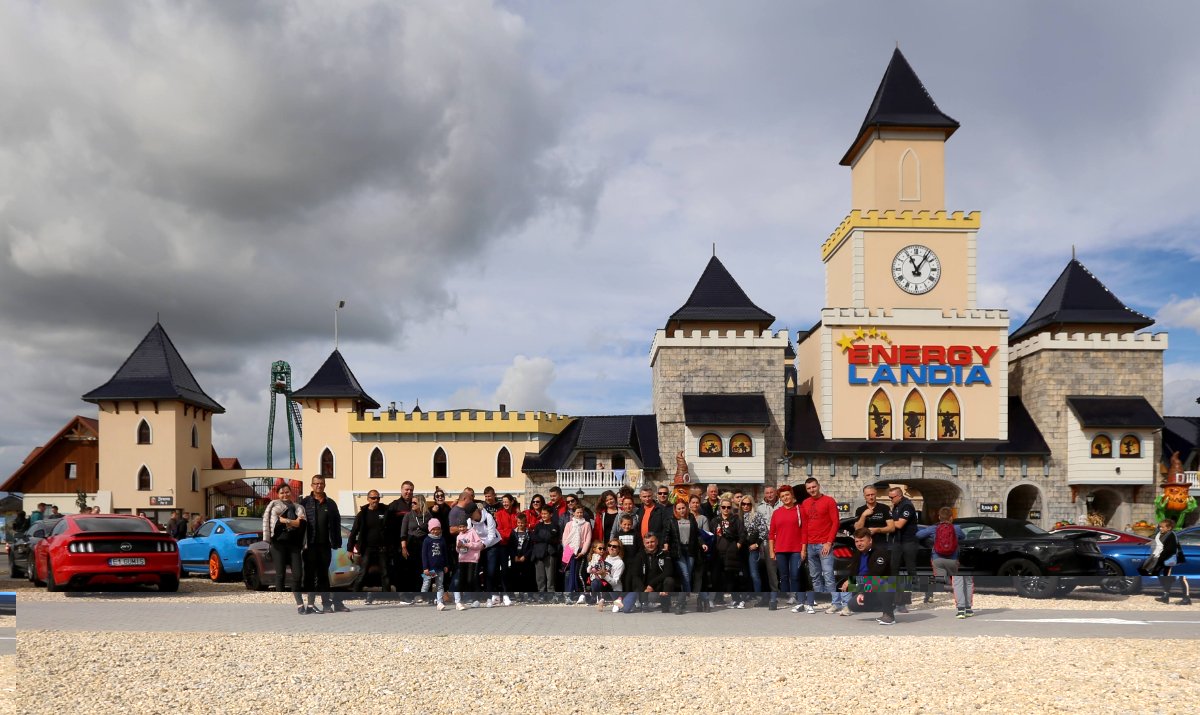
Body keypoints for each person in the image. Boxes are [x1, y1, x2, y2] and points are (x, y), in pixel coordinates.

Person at [300, 475, 346, 613]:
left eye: (321, 483)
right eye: (316, 483)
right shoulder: (305, 503)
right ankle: (310, 605)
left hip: (325, 545)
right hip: (310, 545)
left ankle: (326, 604)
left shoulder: (330, 504)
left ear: (324, 485)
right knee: (309, 575)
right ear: (312, 485)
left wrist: (337, 542)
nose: (319, 486)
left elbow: (337, 523)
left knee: (323, 575)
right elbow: (300, 523)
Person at [916, 507, 972, 618]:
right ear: (951, 517)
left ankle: (926, 591)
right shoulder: (956, 528)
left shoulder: (933, 528)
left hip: (937, 559)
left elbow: (918, 535)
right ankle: (965, 609)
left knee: (938, 580)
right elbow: (963, 537)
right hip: (953, 560)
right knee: (959, 582)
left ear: (939, 517)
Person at [800, 478, 845, 614]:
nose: (812, 490)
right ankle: (821, 601)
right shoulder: (805, 503)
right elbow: (804, 526)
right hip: (810, 545)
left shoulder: (829, 501)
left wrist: (829, 542)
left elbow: (835, 522)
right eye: (809, 488)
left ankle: (835, 603)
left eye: (814, 487)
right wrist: (804, 547)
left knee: (828, 575)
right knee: (815, 576)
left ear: (818, 486)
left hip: (824, 544)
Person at [262, 484, 306, 614]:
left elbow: (301, 524)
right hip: (278, 545)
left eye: (287, 492)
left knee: (298, 575)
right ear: (278, 494)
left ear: (291, 492)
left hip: (294, 545)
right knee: (280, 575)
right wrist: (293, 522)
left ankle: (299, 603)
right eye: (282, 493)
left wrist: (285, 521)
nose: (285, 495)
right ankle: (281, 607)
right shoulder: (274, 506)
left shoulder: (299, 508)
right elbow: (275, 525)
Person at [839, 528, 896, 625]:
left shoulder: (880, 553)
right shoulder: (858, 554)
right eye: (857, 541)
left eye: (862, 540)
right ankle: (881, 606)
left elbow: (875, 574)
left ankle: (889, 614)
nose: (859, 544)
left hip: (887, 585)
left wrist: (854, 582)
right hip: (867, 586)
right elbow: (853, 572)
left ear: (870, 540)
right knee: (853, 605)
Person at [620, 533, 680, 614]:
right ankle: (643, 603)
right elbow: (635, 575)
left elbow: (668, 572)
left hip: (658, 585)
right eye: (647, 543)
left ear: (657, 542)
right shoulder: (639, 555)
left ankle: (665, 606)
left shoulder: (664, 554)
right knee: (626, 609)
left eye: (652, 542)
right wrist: (644, 590)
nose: (650, 544)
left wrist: (651, 585)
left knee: (669, 580)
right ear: (644, 544)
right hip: (644, 587)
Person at [349, 490, 391, 604]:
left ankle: (387, 596)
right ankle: (354, 594)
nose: (375, 500)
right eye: (373, 498)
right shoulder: (362, 514)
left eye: (377, 498)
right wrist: (350, 549)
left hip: (382, 547)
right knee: (363, 572)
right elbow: (354, 532)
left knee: (385, 572)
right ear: (368, 499)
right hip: (367, 548)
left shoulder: (385, 511)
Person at [768, 485, 803, 612]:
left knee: (795, 575)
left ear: (792, 495)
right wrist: (771, 551)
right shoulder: (777, 513)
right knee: (783, 576)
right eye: (782, 496)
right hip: (780, 549)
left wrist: (803, 549)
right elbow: (771, 534)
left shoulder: (800, 510)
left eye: (787, 495)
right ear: (780, 499)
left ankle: (794, 596)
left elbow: (804, 531)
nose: (785, 497)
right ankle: (786, 596)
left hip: (796, 549)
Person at [888, 486, 920, 613]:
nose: (890, 500)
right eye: (889, 497)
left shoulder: (907, 506)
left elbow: (900, 524)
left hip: (908, 542)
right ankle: (896, 600)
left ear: (899, 496)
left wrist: (885, 522)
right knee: (893, 570)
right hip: (898, 542)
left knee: (911, 571)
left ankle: (908, 599)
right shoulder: (896, 506)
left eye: (892, 497)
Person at [711, 498, 744, 608]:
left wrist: (738, 545)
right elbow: (710, 535)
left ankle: (737, 600)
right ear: (720, 508)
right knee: (716, 577)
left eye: (728, 507)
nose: (726, 509)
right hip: (717, 552)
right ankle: (719, 598)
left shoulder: (735, 520)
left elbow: (742, 534)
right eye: (723, 507)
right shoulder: (715, 520)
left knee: (731, 577)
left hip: (730, 552)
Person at [399, 496, 431, 604]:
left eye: (414, 503)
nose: (412, 504)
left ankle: (423, 594)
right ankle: (409, 594)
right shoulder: (408, 515)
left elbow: (432, 531)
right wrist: (404, 547)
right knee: (410, 570)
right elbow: (403, 533)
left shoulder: (428, 516)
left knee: (424, 570)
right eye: (411, 503)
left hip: (424, 544)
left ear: (421, 503)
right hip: (411, 543)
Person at [454, 504, 485, 610]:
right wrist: (458, 547)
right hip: (462, 560)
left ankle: (474, 598)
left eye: (463, 526)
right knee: (462, 579)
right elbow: (458, 550)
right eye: (460, 527)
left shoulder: (472, 532)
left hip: (472, 559)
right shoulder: (459, 536)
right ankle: (466, 598)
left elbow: (479, 545)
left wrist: (467, 544)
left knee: (471, 579)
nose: (462, 528)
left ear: (467, 525)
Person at [473, 500, 503, 606]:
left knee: (490, 571)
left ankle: (490, 597)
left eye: (472, 513)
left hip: (492, 545)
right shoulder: (469, 519)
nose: (471, 516)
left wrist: (483, 545)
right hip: (478, 546)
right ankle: (477, 598)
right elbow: (470, 533)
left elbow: (491, 535)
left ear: (478, 511)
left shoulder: (488, 517)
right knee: (475, 572)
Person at [1151, 519, 1188, 604]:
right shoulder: (1165, 535)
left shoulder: (1171, 535)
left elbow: (1170, 549)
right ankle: (1166, 593)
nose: (1160, 528)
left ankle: (1166, 596)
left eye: (1162, 527)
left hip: (1169, 559)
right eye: (1160, 527)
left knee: (1167, 576)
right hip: (1167, 559)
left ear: (1169, 528)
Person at [561, 505, 593, 604]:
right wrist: (568, 550)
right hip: (569, 550)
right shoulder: (569, 524)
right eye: (577, 512)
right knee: (568, 573)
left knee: (579, 573)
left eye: (581, 512)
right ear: (573, 513)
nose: (579, 514)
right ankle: (568, 595)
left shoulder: (586, 524)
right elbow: (564, 538)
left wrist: (583, 552)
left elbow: (587, 539)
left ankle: (580, 594)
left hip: (580, 551)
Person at [740, 495, 768, 605]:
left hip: (753, 548)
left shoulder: (757, 515)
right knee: (745, 574)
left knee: (754, 574)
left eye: (748, 504)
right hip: (742, 549)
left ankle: (759, 597)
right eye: (743, 504)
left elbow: (764, 531)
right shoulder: (739, 517)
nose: (746, 506)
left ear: (752, 505)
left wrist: (757, 544)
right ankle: (749, 594)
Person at [755, 486, 782, 599]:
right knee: (771, 569)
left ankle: (790, 593)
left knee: (784, 568)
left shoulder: (782, 504)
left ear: (775, 493)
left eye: (771, 492)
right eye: (767, 493)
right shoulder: (759, 508)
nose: (769, 495)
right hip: (767, 540)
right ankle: (774, 592)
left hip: (782, 539)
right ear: (764, 494)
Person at [530, 506, 561, 602]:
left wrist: (543, 537)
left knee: (550, 576)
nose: (543, 515)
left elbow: (554, 539)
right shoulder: (538, 526)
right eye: (542, 514)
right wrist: (546, 537)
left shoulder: (555, 526)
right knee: (540, 576)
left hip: (550, 553)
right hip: (539, 553)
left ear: (551, 514)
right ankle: (541, 595)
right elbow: (534, 537)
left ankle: (551, 595)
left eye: (545, 514)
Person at [494, 494, 520, 605]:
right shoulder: (499, 514)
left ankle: (512, 591)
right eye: (503, 502)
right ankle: (504, 592)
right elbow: (499, 529)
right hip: (503, 545)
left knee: (514, 569)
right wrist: (511, 534)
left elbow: (519, 527)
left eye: (506, 501)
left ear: (512, 502)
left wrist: (513, 534)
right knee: (504, 569)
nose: (505, 504)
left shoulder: (516, 514)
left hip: (514, 545)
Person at [421, 518, 449, 610]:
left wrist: (446, 565)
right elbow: (424, 555)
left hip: (440, 568)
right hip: (430, 568)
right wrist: (425, 567)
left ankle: (439, 601)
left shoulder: (442, 539)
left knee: (440, 585)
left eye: (437, 529)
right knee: (426, 583)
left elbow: (445, 553)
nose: (435, 531)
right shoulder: (427, 540)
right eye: (433, 529)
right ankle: (423, 598)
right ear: (430, 529)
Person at [508, 512, 535, 601]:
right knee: (516, 577)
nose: (520, 525)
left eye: (522, 523)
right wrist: (514, 556)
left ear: (526, 523)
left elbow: (531, 547)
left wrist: (525, 556)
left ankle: (528, 595)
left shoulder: (529, 533)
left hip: (525, 559)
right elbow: (511, 546)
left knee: (527, 576)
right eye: (518, 523)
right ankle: (519, 594)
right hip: (516, 558)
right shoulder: (513, 533)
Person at [598, 540, 626, 611]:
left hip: (615, 589)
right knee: (596, 582)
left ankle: (613, 601)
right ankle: (602, 599)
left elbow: (615, 582)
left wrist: (604, 575)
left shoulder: (620, 563)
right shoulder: (605, 558)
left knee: (619, 610)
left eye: (614, 546)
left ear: (619, 549)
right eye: (609, 545)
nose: (611, 548)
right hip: (606, 588)